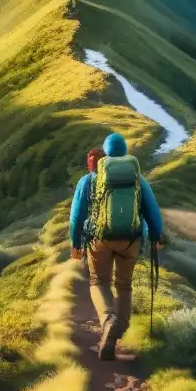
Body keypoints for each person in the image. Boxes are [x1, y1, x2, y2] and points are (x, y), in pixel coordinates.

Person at [69, 132, 164, 360]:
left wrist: (76, 244)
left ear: (106, 152)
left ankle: (108, 320)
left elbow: (76, 216)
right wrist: (156, 236)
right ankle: (118, 331)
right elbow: (152, 211)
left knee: (99, 282)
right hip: (130, 240)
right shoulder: (138, 179)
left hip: (99, 240)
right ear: (125, 152)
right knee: (124, 286)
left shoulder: (90, 180)